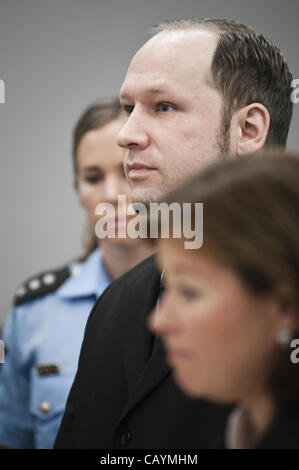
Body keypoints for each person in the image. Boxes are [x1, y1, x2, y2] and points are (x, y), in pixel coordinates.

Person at [54, 19, 294, 449]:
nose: (126, 135)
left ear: (249, 130)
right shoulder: (116, 302)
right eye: (129, 109)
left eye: (163, 106)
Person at [0, 97, 153, 449]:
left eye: (127, 171)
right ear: (77, 190)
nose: (112, 195)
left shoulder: (208, 301)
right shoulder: (34, 312)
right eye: (93, 177)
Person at [149, 151, 299, 449]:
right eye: (170, 287)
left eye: (189, 292)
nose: (158, 321)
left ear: (284, 306)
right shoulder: (241, 432)